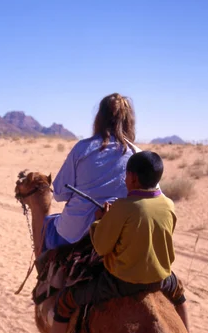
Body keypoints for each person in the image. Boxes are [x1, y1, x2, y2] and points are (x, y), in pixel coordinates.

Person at [34, 151, 192, 333]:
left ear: (133, 178)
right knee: (180, 296)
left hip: (121, 282)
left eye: (126, 177)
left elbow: (101, 246)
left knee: (66, 302)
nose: (125, 181)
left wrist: (101, 220)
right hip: (161, 277)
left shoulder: (122, 208)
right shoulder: (168, 204)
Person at [43, 93, 137, 251]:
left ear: (99, 118)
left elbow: (59, 194)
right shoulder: (138, 155)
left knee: (47, 226)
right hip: (120, 234)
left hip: (74, 233)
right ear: (129, 121)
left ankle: (44, 275)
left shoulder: (83, 148)